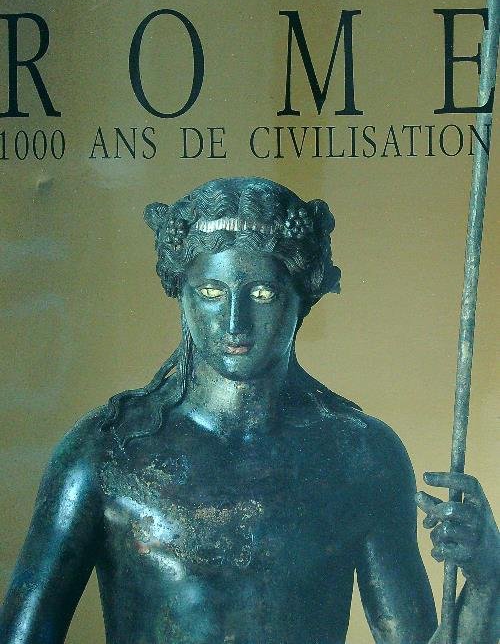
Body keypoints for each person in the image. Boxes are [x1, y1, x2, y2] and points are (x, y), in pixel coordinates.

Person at [0, 177, 498, 644]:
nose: (235, 322)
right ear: (183, 294)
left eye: (262, 293)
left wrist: (484, 581)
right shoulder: (108, 453)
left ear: (301, 297)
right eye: (211, 293)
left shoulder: (359, 456)